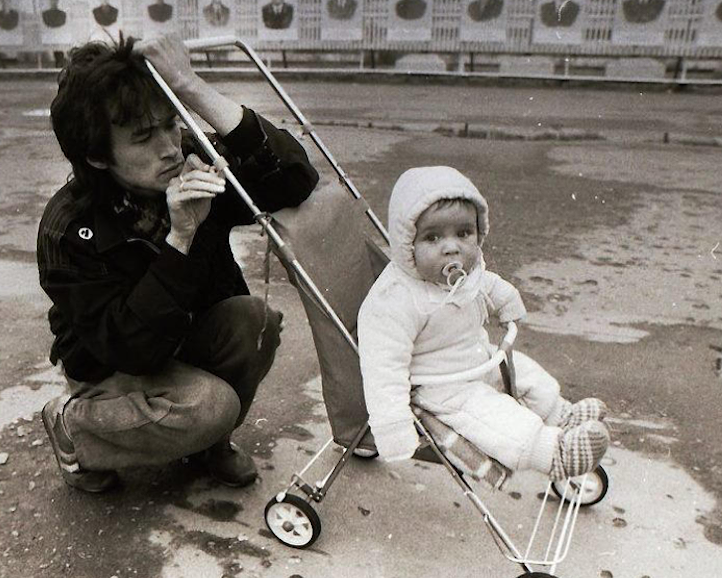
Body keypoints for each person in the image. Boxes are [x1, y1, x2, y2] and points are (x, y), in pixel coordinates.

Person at [38, 35, 319, 492]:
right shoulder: (70, 229)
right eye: (144, 138)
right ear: (96, 155)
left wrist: (189, 85)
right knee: (209, 406)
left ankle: (209, 443)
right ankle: (76, 429)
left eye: (170, 124)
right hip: (114, 368)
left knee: (255, 322)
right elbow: (131, 350)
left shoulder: (188, 160)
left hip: (183, 335)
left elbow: (294, 180)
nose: (169, 147)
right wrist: (180, 238)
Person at [357, 166, 610, 484]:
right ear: (407, 244)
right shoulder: (395, 300)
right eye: (433, 237)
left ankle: (563, 415)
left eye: (463, 234)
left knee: (528, 375)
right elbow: (384, 370)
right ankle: (553, 454)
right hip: (441, 386)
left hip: (475, 359)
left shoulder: (463, 272)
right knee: (492, 417)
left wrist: (506, 300)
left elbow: (484, 284)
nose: (452, 247)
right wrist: (393, 429)